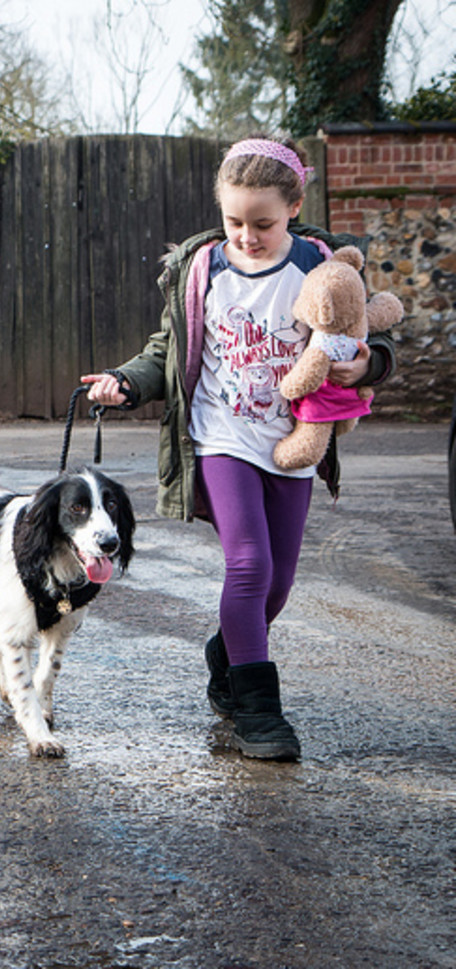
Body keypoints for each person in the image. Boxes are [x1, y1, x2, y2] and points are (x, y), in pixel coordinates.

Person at [81, 136, 394, 762]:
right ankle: (258, 711)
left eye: (263, 223)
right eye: (234, 222)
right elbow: (166, 350)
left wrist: (368, 369)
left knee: (276, 587)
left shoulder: (319, 264)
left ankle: (228, 653)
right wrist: (127, 382)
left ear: (294, 206)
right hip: (221, 436)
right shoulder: (204, 270)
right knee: (248, 566)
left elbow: (365, 338)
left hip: (295, 442)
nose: (247, 235)